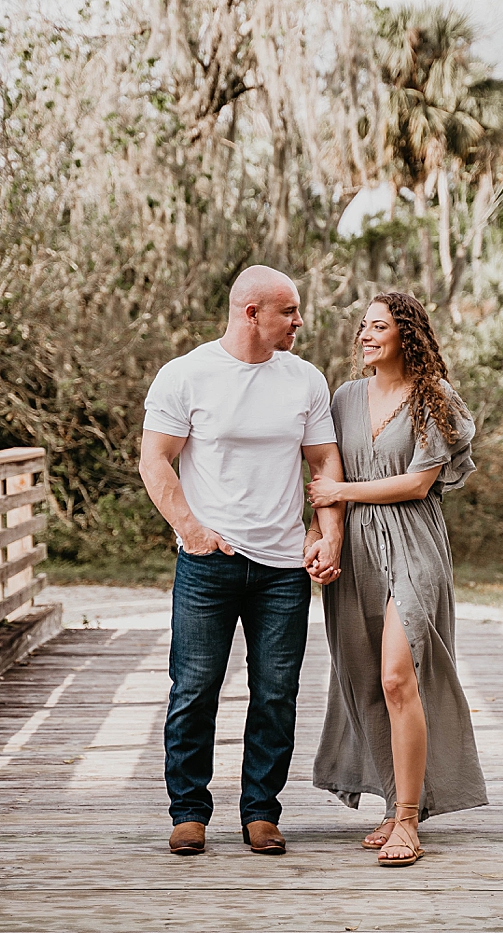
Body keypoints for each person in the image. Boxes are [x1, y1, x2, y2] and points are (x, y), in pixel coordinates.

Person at [139, 265, 345, 857]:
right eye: (289, 310)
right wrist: (192, 531)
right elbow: (155, 460)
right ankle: (188, 812)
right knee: (194, 688)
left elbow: (324, 464)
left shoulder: (305, 380)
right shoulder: (186, 375)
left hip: (283, 568)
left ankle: (260, 811)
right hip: (209, 564)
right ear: (251, 313)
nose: (299, 321)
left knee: (276, 692)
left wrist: (325, 533)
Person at [306, 291, 487, 867]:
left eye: (378, 326)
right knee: (365, 678)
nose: (364, 335)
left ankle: (409, 820)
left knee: (396, 675)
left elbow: (415, 484)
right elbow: (324, 475)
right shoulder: (343, 398)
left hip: (412, 544)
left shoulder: (435, 398)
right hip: (356, 548)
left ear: (405, 334)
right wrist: (321, 536)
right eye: (362, 326)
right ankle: (393, 801)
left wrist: (340, 491)